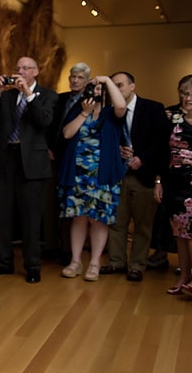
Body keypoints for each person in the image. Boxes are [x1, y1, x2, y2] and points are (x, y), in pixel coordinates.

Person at [0, 56, 58, 284]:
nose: (20, 71)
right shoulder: (6, 96)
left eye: (25, 68)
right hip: (7, 161)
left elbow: (43, 121)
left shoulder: (48, 95)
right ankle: (4, 262)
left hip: (32, 164)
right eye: (17, 68)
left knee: (31, 217)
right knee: (3, 215)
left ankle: (32, 266)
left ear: (35, 72)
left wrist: (28, 94)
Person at [57, 75, 127, 282]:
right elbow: (67, 134)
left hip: (103, 175)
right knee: (78, 217)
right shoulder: (78, 110)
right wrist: (83, 114)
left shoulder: (111, 114)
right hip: (77, 174)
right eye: (92, 88)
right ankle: (76, 261)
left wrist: (106, 80)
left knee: (98, 219)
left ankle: (95, 262)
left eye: (99, 89)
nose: (95, 92)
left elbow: (121, 105)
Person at [99, 72, 167, 281]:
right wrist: (118, 150)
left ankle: (137, 265)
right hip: (118, 173)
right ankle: (117, 262)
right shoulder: (109, 112)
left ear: (132, 86)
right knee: (116, 222)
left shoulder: (153, 108)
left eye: (120, 85)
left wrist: (142, 158)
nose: (116, 90)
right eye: (113, 86)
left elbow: (162, 141)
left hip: (144, 174)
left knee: (142, 224)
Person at [156, 76, 192, 301]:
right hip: (174, 182)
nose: (187, 98)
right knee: (179, 232)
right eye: (184, 92)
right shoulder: (172, 116)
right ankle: (183, 279)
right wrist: (159, 181)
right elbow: (162, 151)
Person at [45, 62, 91, 265]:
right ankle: (50, 245)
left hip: (75, 159)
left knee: (69, 206)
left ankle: (67, 250)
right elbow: (48, 125)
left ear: (87, 81)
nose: (75, 80)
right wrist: (47, 147)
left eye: (80, 77)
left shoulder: (90, 102)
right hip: (52, 156)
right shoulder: (59, 98)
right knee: (50, 203)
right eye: (73, 76)